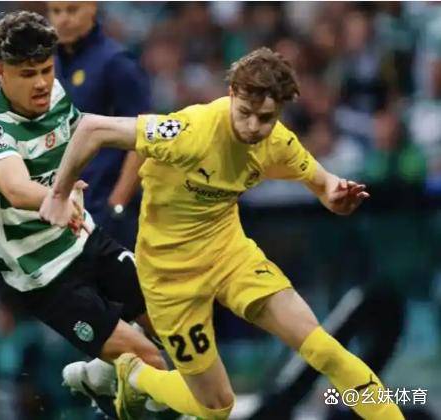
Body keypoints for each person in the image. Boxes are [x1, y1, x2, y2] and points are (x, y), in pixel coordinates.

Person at [40, 47, 405, 419]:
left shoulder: (276, 142)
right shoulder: (190, 132)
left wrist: (334, 195)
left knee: (324, 350)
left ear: (280, 111)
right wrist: (58, 193)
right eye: (244, 113)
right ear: (232, 94)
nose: (252, 126)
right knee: (216, 408)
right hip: (170, 276)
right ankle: (133, 372)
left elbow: (323, 183)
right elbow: (93, 128)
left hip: (230, 256)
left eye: (265, 118)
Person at [0, 10, 168, 415]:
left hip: (85, 238)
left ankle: (100, 375)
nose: (40, 83)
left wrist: (168, 134)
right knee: (150, 360)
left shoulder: (55, 94)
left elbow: (88, 132)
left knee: (170, 326)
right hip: (43, 274)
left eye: (46, 69)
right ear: (1, 72)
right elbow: (15, 186)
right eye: (27, 74)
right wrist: (57, 197)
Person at [48, 1, 149, 250]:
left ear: (92, 7)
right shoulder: (50, 66)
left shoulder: (117, 62)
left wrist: (116, 205)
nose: (63, 19)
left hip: (105, 211)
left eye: (72, 10)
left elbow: (144, 136)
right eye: (56, 11)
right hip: (64, 208)